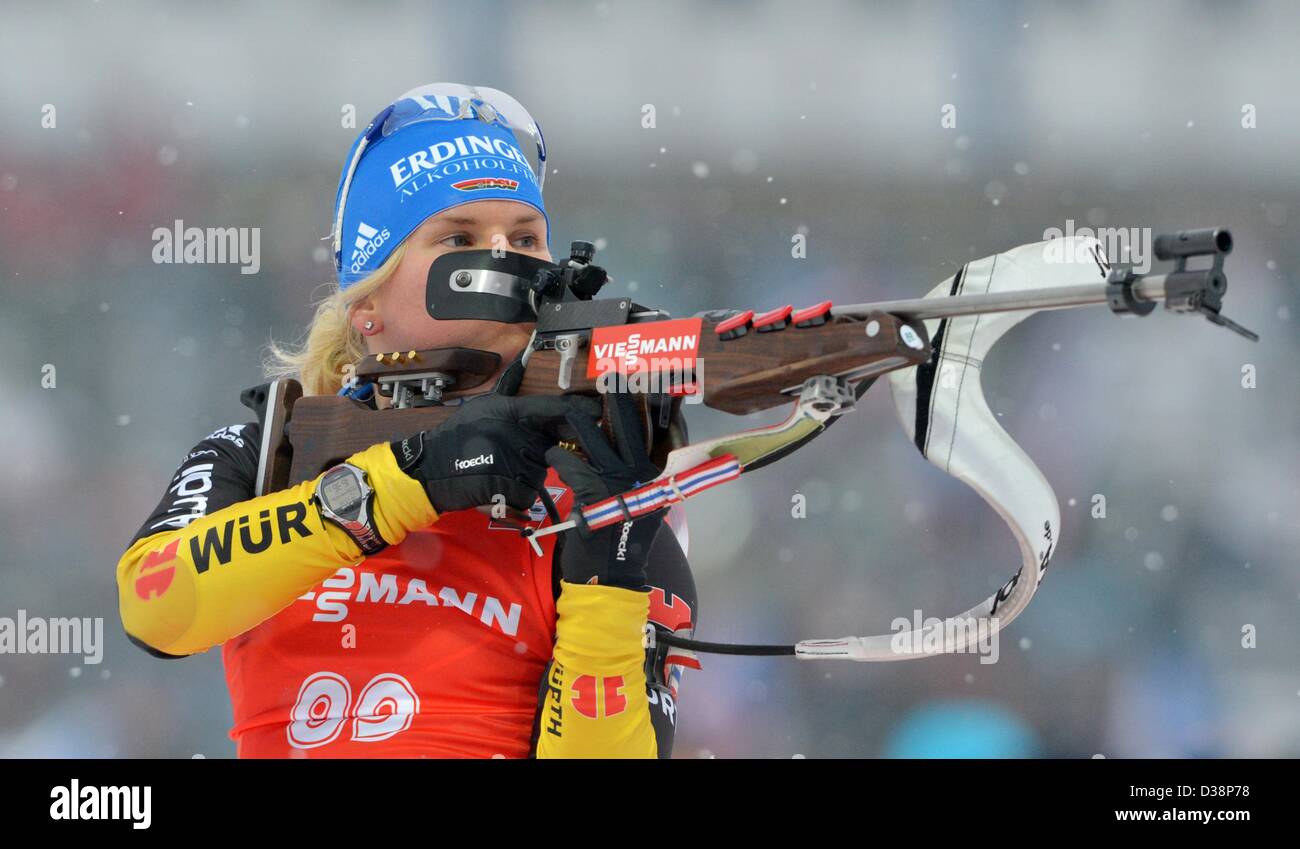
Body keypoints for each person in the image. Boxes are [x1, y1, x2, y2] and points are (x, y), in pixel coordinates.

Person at [115, 83, 697, 758]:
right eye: (459, 237)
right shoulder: (267, 451)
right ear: (368, 305)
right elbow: (157, 603)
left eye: (526, 236)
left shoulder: (594, 486)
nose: (504, 259)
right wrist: (411, 482)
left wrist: (609, 562)